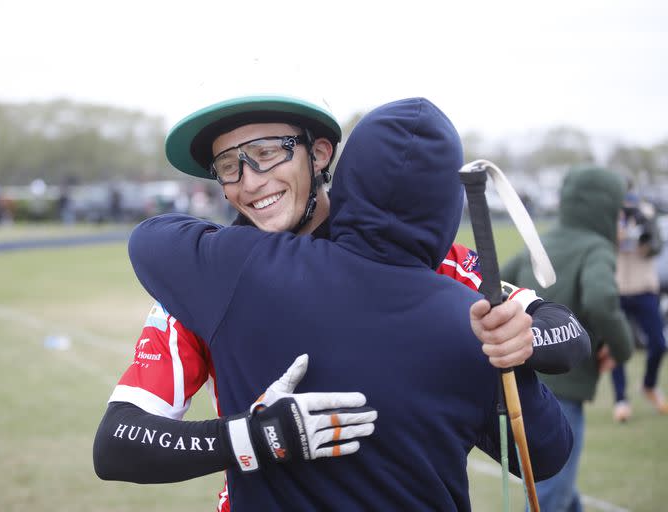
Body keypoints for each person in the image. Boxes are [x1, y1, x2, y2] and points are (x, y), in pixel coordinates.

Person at [94, 95, 588, 509]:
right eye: (228, 166)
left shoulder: (435, 260)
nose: (249, 181)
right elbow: (120, 441)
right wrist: (247, 437)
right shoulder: (207, 281)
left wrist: (524, 337)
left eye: (266, 152)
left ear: (321, 153)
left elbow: (567, 332)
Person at [501, 165, 634, 512]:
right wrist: (621, 348)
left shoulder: (541, 242)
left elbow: (498, 284)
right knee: (551, 494)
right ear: (604, 207)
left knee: (558, 488)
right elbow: (601, 300)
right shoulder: (596, 248)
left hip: (523, 383)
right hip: (566, 386)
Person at [611, 184, 667, 421]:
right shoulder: (609, 215)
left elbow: (655, 247)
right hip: (618, 288)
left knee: (658, 343)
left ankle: (649, 385)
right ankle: (621, 400)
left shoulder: (648, 213)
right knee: (618, 348)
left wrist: (643, 226)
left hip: (645, 288)